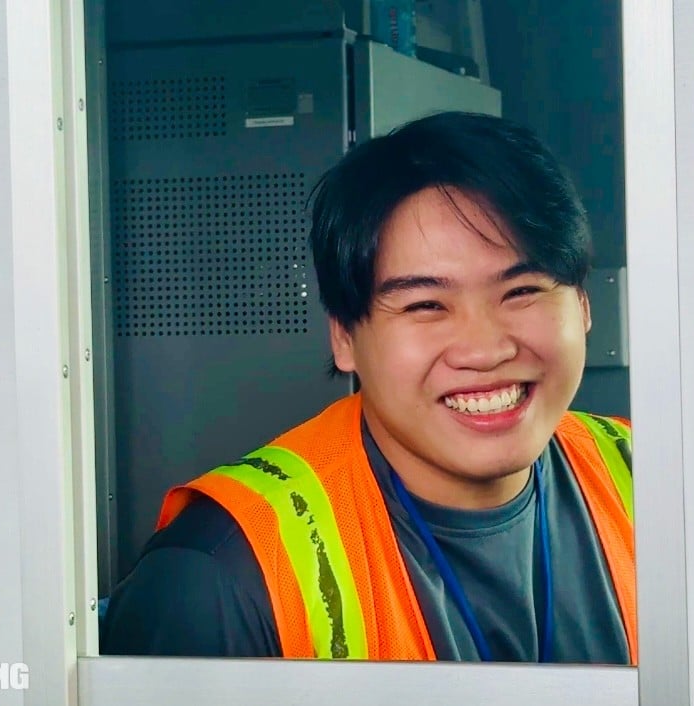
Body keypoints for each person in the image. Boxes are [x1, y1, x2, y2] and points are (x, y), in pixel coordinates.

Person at [100, 111, 636, 663]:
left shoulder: (659, 485)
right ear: (345, 337)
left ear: (584, 305)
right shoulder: (220, 576)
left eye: (522, 291)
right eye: (426, 305)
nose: (485, 350)